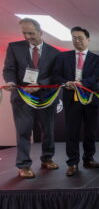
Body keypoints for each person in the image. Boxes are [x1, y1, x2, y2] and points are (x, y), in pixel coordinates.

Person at [2, 18, 60, 179]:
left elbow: (56, 76)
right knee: (23, 131)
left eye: (31, 33)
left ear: (40, 32)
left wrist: (41, 84)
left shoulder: (55, 53)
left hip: (46, 97)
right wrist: (11, 81)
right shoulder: (14, 48)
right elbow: (9, 69)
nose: (27, 36)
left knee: (47, 130)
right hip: (22, 97)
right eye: (24, 33)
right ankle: (24, 165)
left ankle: (47, 159)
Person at [53, 26, 99, 176]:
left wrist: (83, 83)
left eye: (80, 37)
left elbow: (96, 76)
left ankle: (89, 159)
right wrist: (66, 82)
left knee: (90, 131)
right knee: (72, 132)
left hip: (90, 99)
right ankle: (73, 163)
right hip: (71, 98)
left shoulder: (97, 59)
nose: (77, 40)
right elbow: (56, 75)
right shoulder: (63, 57)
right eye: (74, 37)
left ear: (88, 40)